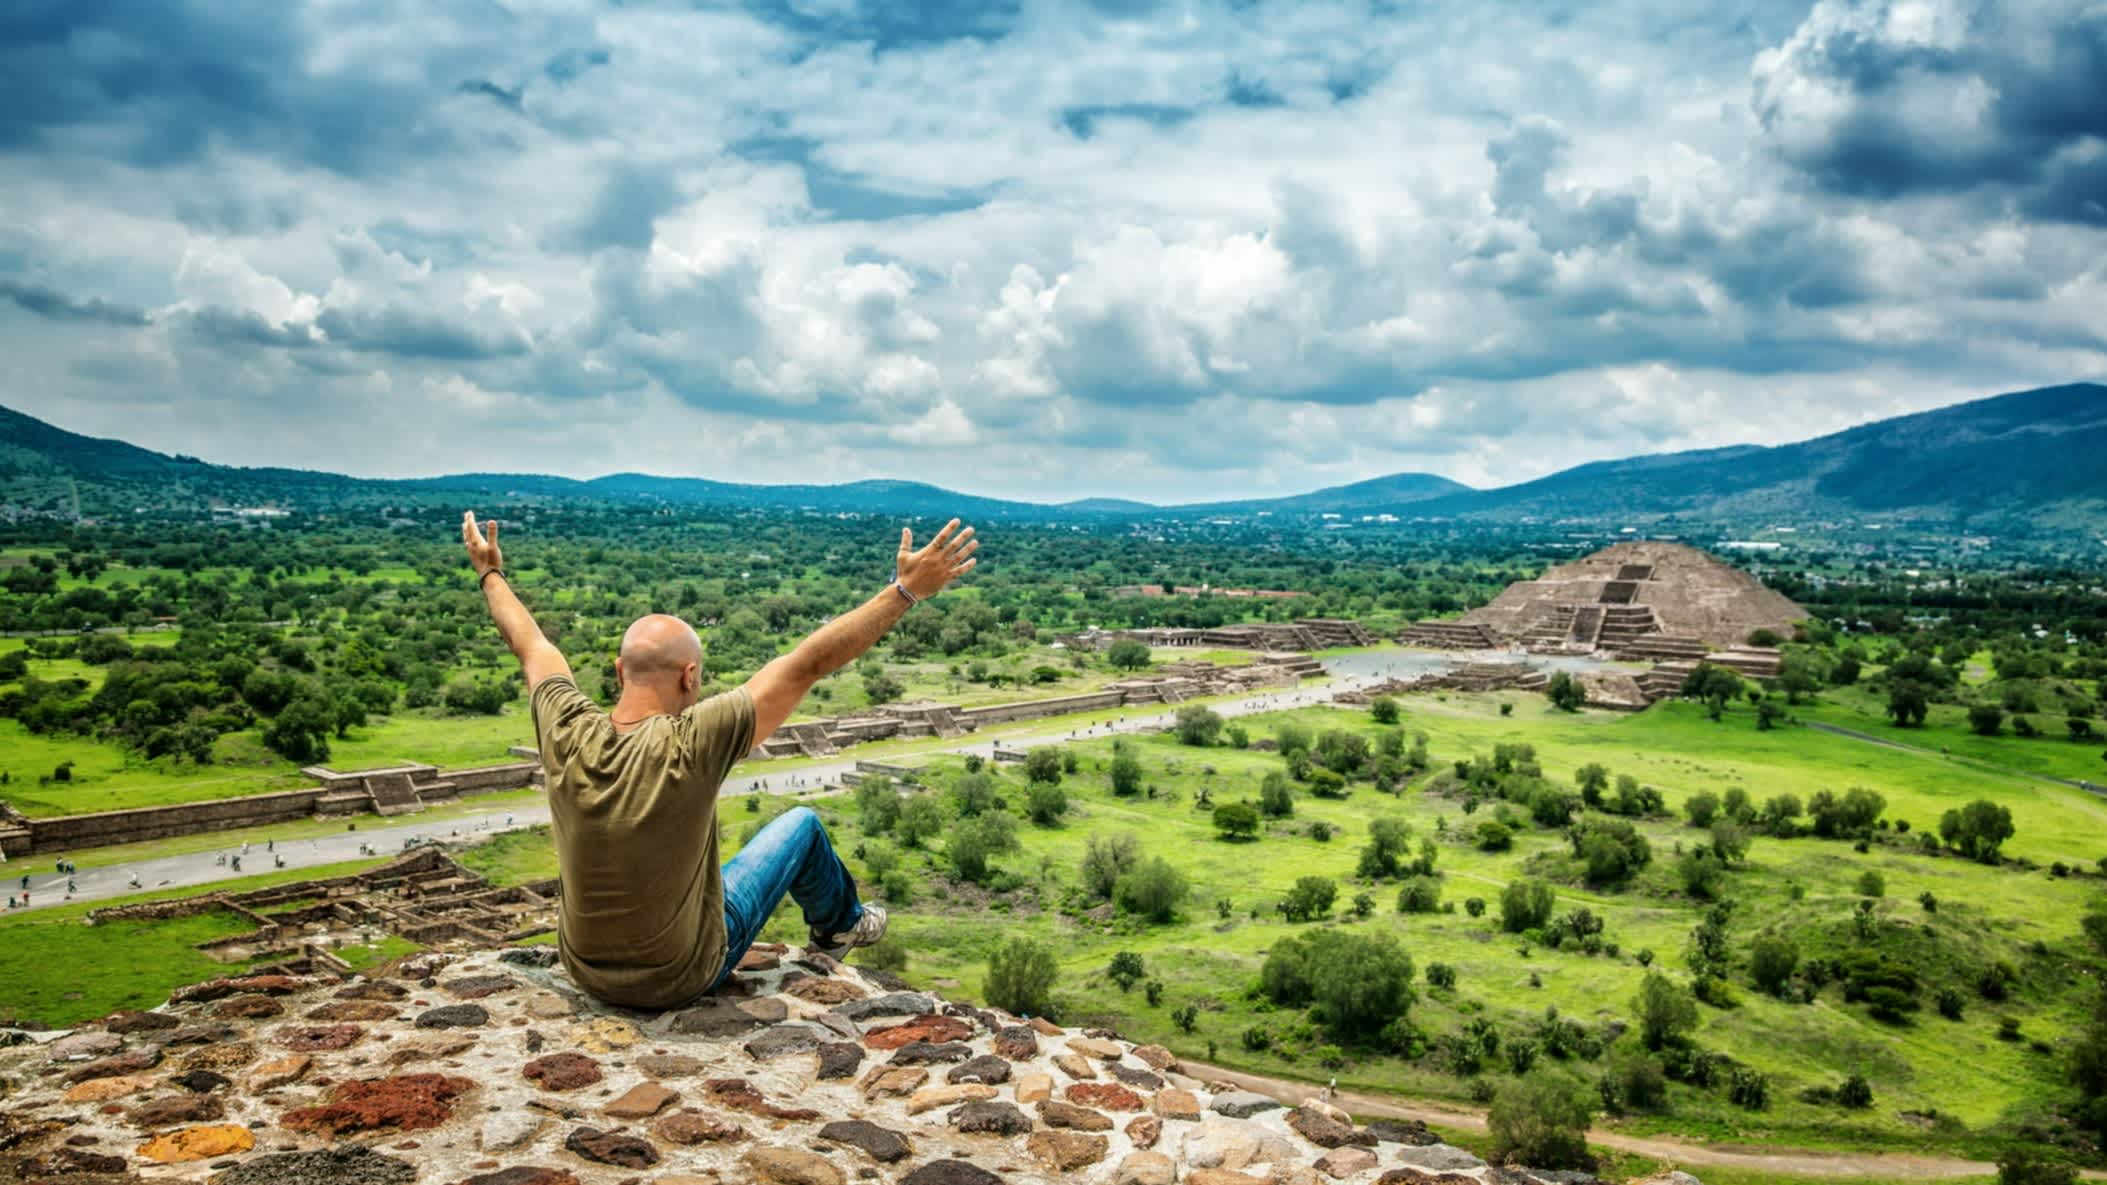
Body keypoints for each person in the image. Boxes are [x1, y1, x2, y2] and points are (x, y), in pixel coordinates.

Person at [463, 508, 978, 1010]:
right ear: (690, 676)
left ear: (619, 671)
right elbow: (809, 662)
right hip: (683, 974)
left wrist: (490, 572)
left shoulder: (566, 729)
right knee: (801, 826)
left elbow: (530, 644)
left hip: (585, 970)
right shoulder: (694, 739)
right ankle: (842, 924)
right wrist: (906, 591)